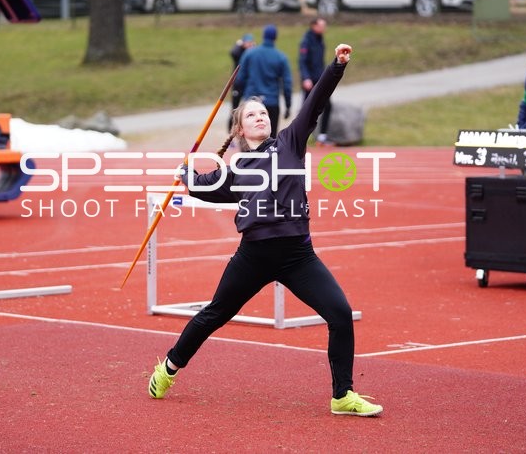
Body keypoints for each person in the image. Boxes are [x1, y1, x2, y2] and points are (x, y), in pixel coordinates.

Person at [147, 43, 383, 418]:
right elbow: (208, 186)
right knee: (214, 314)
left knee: (340, 314)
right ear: (240, 128)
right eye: (252, 115)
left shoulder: (290, 142)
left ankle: (343, 396)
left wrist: (336, 66)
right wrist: (186, 175)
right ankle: (169, 368)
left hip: (297, 256)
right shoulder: (238, 168)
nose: (260, 118)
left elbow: (316, 101)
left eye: (263, 113)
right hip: (253, 256)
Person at [236, 24, 293, 138]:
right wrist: (288, 105)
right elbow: (287, 83)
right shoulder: (281, 57)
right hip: (271, 102)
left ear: (263, 36)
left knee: (248, 138)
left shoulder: (250, 54)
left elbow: (240, 78)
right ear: (275, 37)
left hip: (250, 101)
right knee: (270, 140)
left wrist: (239, 98)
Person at [298, 17, 333, 145]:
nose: (324, 28)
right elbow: (302, 62)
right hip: (310, 82)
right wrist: (306, 78)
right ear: (314, 26)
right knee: (307, 110)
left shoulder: (320, 40)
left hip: (320, 80)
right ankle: (300, 136)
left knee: (327, 106)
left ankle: (322, 137)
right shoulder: (306, 41)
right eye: (322, 25)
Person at [228, 33, 255, 131]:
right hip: (237, 84)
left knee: (248, 109)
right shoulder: (238, 51)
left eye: (251, 42)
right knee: (234, 109)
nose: (249, 45)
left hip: (247, 85)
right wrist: (238, 44)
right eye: (247, 42)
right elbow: (232, 53)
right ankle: (230, 132)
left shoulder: (253, 52)